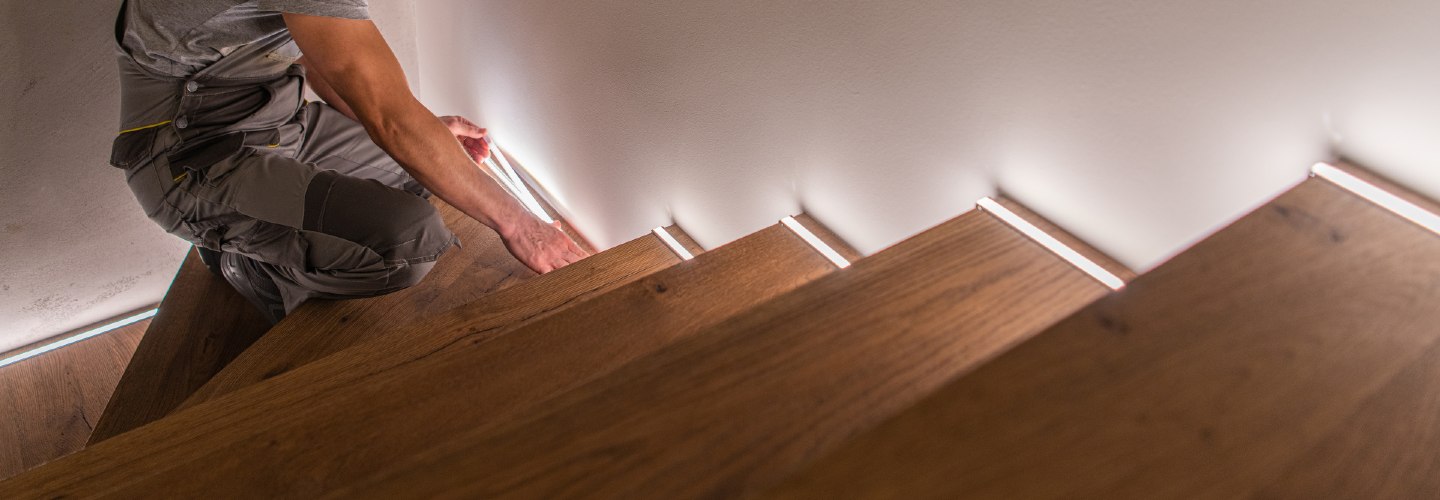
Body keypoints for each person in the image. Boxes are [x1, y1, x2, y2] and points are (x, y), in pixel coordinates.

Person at [108, 0, 589, 323]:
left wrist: (424, 136)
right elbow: (390, 119)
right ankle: (245, 265)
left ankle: (262, 227)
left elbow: (323, 63)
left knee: (422, 172)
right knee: (410, 241)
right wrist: (522, 226)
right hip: (191, 155)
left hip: (282, 116)